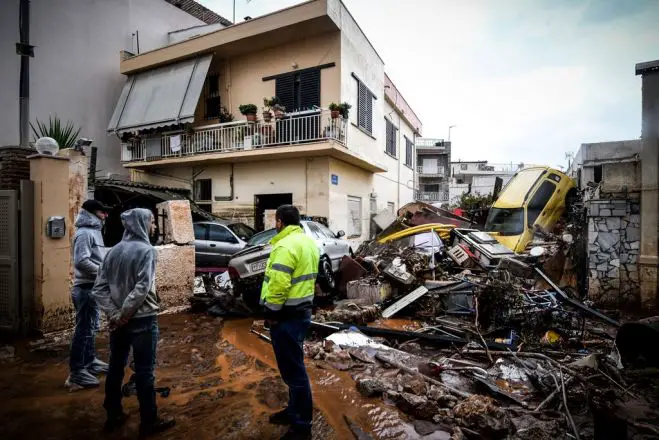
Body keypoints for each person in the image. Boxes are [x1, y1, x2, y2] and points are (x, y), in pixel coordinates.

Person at [92, 208, 175, 437]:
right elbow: (142, 288)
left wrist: (114, 315)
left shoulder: (113, 251)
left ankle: (113, 413)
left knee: (116, 367)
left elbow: (99, 288)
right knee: (145, 371)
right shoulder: (147, 251)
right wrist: (123, 314)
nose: (154, 226)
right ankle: (149, 421)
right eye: (151, 222)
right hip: (142, 320)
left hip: (119, 323)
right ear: (141, 224)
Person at [262, 205, 319, 440]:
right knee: (293, 367)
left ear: (279, 222)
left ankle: (302, 425)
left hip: (286, 315)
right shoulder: (308, 242)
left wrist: (271, 313)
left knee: (294, 372)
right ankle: (294, 411)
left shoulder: (284, 246)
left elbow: (279, 285)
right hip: (302, 311)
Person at [66, 199, 110, 389]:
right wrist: (104, 272)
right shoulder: (84, 233)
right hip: (85, 288)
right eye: (102, 212)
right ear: (91, 213)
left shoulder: (94, 232)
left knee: (91, 327)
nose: (105, 215)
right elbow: (82, 261)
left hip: (93, 287)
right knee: (83, 330)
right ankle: (76, 372)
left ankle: (90, 361)